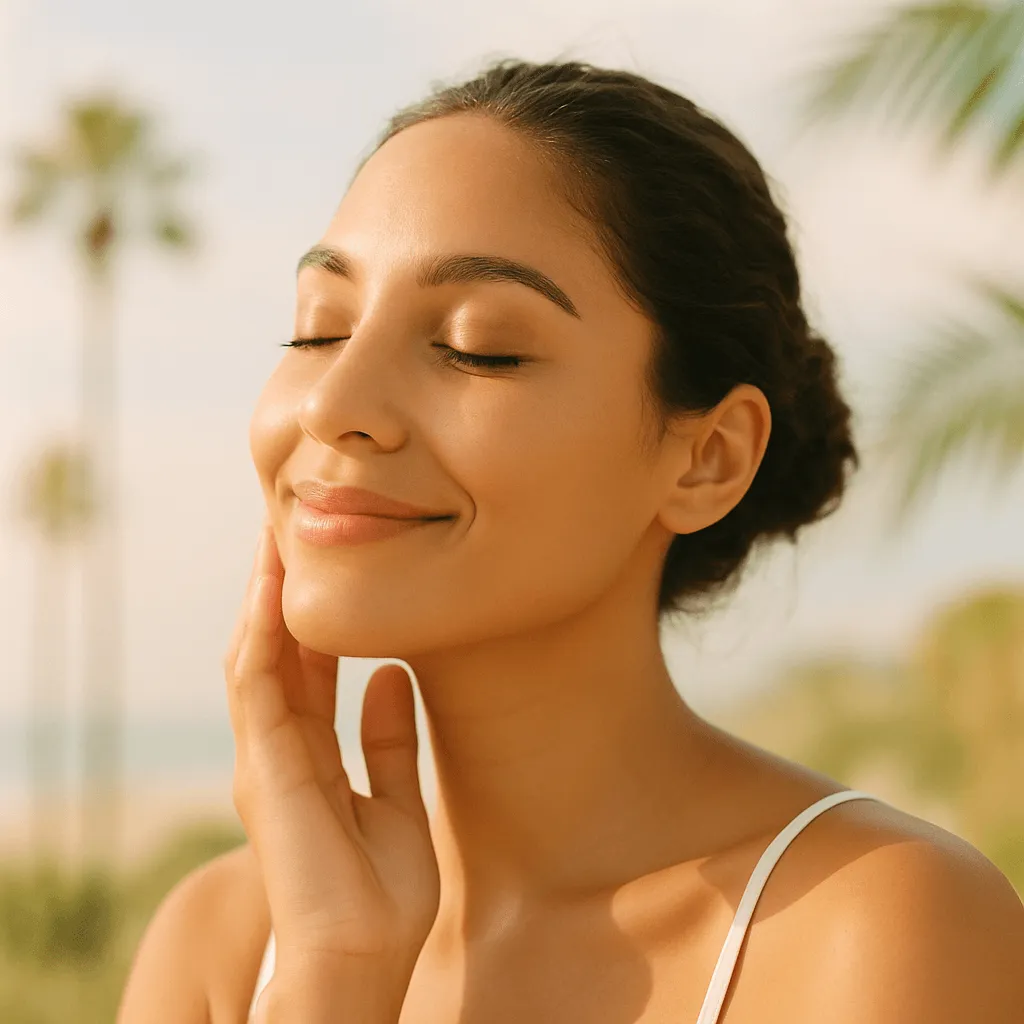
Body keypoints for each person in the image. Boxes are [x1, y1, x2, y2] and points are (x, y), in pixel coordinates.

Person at [116, 58, 1024, 1024]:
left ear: (708, 458)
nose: (335, 405)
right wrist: (336, 973)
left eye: (476, 346)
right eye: (318, 330)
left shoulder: (874, 929)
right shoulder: (226, 943)